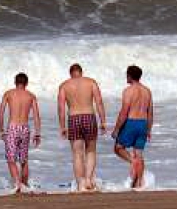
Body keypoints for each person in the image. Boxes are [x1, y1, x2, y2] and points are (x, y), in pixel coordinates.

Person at [57, 63, 106, 192]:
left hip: (73, 118)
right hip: (89, 117)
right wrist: (103, 121)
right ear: (81, 72)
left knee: (77, 153)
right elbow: (99, 102)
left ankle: (81, 184)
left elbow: (61, 108)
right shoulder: (91, 82)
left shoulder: (64, 86)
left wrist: (62, 126)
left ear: (70, 74)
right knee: (90, 151)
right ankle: (89, 179)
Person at [0, 73, 42, 194]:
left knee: (11, 159)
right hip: (25, 128)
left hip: (13, 128)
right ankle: (25, 184)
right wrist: (37, 133)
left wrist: (1, 129)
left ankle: (17, 184)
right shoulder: (31, 96)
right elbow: (37, 116)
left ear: (15, 82)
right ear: (26, 83)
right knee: (24, 159)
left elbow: (1, 113)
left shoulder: (9, 93)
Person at [112, 65, 153, 189]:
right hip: (143, 123)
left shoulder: (128, 91)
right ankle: (139, 183)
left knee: (118, 148)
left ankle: (132, 162)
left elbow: (124, 112)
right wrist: (149, 129)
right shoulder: (147, 91)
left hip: (131, 122)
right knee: (139, 153)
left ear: (129, 76)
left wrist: (117, 129)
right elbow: (150, 112)